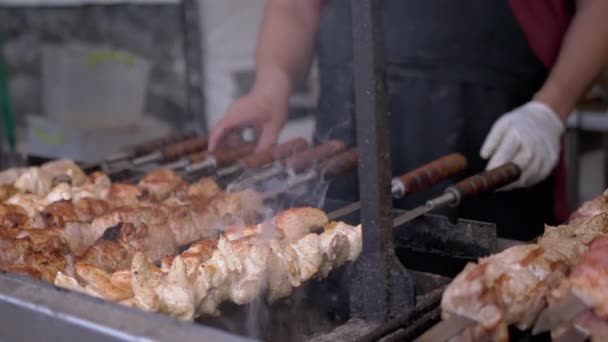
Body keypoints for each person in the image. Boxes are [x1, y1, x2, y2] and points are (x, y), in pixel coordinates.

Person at [208, 0, 608, 241]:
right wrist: (269, 85)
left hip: (496, 138)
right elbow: (294, 6)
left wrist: (550, 108)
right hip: (348, 135)